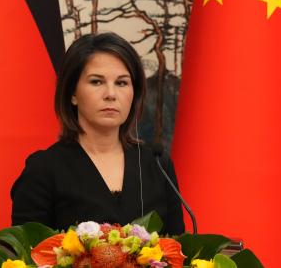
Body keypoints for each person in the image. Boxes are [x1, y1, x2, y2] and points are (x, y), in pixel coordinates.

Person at [11, 32, 184, 235]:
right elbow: (25, 257)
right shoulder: (44, 169)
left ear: (134, 94)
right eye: (96, 82)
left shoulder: (157, 164)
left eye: (121, 83)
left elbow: (178, 251)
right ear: (72, 94)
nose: (110, 94)